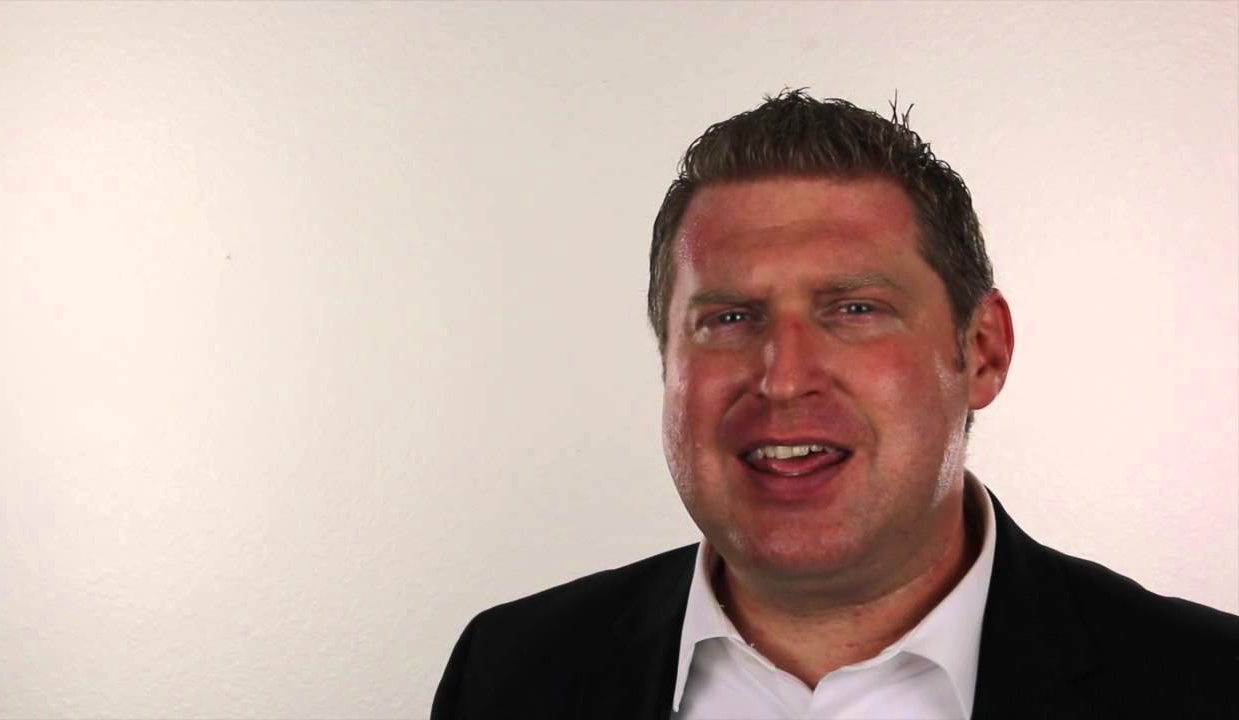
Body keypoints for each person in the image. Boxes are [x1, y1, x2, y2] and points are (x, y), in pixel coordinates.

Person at [431, 90, 1239, 720]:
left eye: (854, 309)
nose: (784, 378)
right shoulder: (509, 674)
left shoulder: (1206, 684)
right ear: (668, 362)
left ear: (982, 351)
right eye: (729, 319)